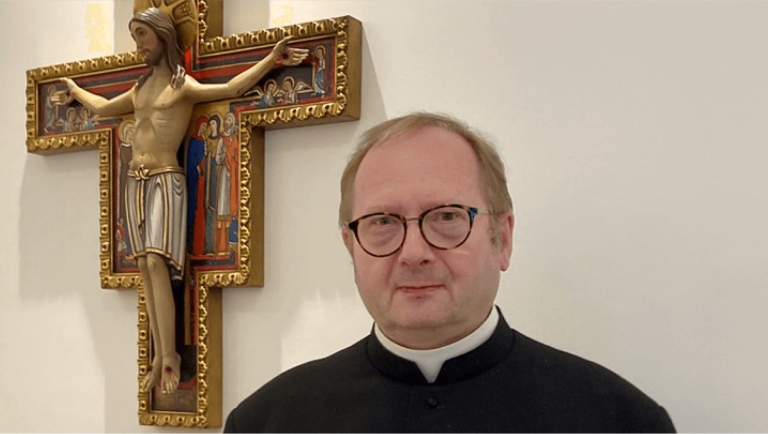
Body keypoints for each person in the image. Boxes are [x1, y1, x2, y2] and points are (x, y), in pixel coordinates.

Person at [224, 112, 676, 433]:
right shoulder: (266, 422)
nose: (413, 253)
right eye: (383, 222)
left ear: (503, 238)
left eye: (446, 217)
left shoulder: (621, 420)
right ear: (351, 247)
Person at [61, 6, 307, 395]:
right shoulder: (140, 88)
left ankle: (171, 356)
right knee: (145, 267)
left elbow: (230, 89)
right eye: (134, 35)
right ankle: (159, 355)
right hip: (135, 182)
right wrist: (74, 90)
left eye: (142, 34)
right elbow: (105, 109)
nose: (138, 44)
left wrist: (271, 61)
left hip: (164, 179)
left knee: (157, 262)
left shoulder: (182, 87)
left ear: (163, 35)